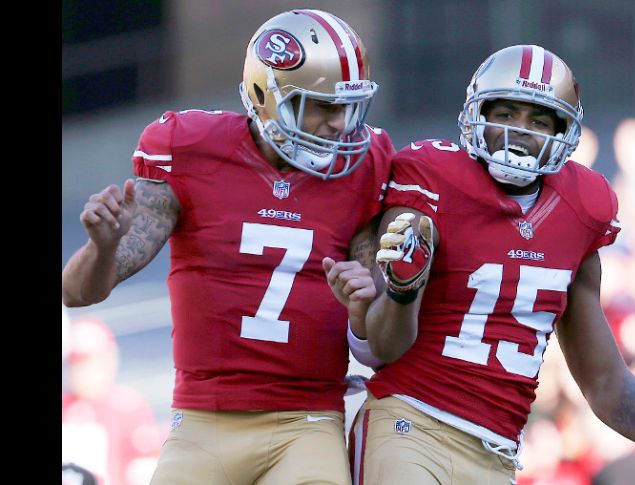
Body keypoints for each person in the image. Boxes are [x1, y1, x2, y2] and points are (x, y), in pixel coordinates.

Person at [346, 45, 635, 484]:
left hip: (497, 451)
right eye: (506, 114)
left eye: (538, 121)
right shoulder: (431, 177)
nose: (518, 131)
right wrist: (403, 289)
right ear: (477, 114)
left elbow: (601, 375)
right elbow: (381, 347)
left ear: (563, 132)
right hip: (410, 424)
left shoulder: (581, 209)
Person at [62, 9, 393, 485]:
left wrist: (367, 299)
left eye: (348, 107)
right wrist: (102, 246)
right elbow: (77, 293)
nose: (340, 125)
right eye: (321, 106)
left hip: (309, 421)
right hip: (203, 421)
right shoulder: (190, 149)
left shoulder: (366, 167)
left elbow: (382, 337)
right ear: (266, 97)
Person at [62, 317, 161, 485]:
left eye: (90, 363)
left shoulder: (128, 407)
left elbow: (144, 468)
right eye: (76, 364)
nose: (83, 372)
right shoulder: (66, 406)